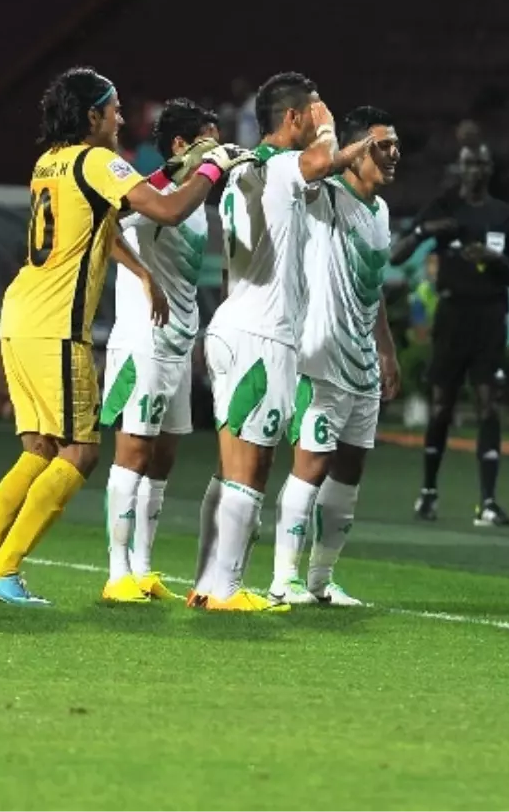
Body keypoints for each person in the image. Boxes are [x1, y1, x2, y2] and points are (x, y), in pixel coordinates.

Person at [0, 66, 251, 605]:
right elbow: (166, 207)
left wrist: (141, 273)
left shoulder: (49, 162)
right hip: (55, 326)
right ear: (92, 115)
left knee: (39, 450)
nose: (119, 117)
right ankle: (4, 568)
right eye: (112, 108)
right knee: (81, 452)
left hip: (18, 314)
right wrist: (214, 164)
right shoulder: (97, 160)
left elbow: (101, 223)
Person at [190, 72, 373, 613]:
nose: (319, 120)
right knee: (253, 470)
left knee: (228, 469)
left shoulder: (246, 168)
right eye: (313, 112)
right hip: (262, 336)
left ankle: (206, 582)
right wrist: (333, 130)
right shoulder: (281, 165)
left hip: (230, 322)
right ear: (295, 118)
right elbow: (322, 163)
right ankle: (225, 590)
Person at [269, 107, 402, 606]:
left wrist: (386, 349)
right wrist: (334, 139)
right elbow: (310, 167)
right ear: (354, 153)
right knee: (310, 466)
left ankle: (322, 579)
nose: (393, 155)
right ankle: (284, 579)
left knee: (348, 477)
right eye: (382, 146)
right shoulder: (324, 197)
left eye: (396, 146)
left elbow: (374, 288)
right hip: (320, 360)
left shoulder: (381, 213)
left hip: (362, 364)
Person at [99, 98, 220, 604]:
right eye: (210, 141)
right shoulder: (151, 195)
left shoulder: (195, 207)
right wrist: (143, 275)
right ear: (180, 146)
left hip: (177, 346)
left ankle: (144, 569)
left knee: (163, 459)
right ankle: (116, 572)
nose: (220, 153)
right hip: (141, 343)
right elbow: (102, 231)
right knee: (133, 453)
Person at [390, 145, 509, 526]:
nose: (476, 170)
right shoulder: (443, 207)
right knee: (441, 407)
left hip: (490, 317)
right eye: (469, 163)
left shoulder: (506, 216)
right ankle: (428, 494)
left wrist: (495, 260)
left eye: (482, 163)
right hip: (451, 316)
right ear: (459, 167)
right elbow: (396, 256)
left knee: (488, 406)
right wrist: (422, 231)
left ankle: (488, 502)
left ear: (491, 168)